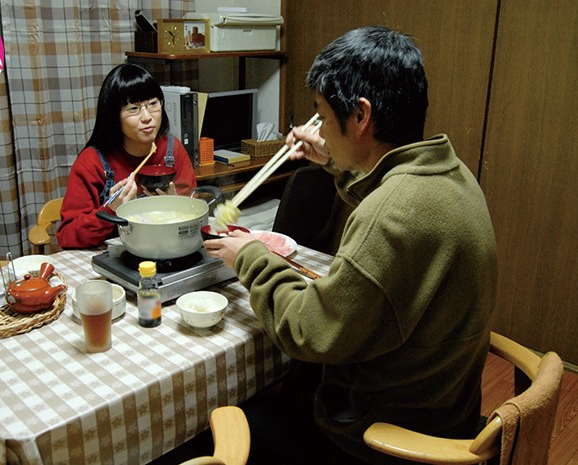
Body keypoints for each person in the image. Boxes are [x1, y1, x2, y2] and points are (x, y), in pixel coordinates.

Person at [203, 26, 498, 464]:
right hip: (444, 408)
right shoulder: (449, 174)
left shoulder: (391, 214)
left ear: (360, 116)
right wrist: (336, 162)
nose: (319, 129)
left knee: (235, 417)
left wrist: (249, 257)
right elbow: (391, 204)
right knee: (297, 385)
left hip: (388, 439)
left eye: (322, 116)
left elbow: (309, 332)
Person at [57, 63, 197, 249]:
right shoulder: (92, 162)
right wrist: (112, 209)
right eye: (133, 108)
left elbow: (193, 220)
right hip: (113, 255)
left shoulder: (172, 150)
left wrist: (177, 206)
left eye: (153, 104)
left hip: (164, 250)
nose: (147, 117)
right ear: (113, 116)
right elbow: (67, 236)